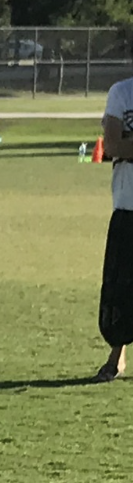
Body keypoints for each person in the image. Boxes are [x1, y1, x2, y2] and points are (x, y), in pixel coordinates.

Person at [96, 72, 133, 382]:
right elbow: (112, 144)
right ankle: (116, 355)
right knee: (120, 287)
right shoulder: (122, 93)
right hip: (128, 204)